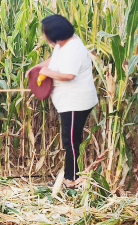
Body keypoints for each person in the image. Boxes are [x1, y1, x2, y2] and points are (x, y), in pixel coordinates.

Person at [36, 14, 98, 187]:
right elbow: (55, 59)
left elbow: (69, 75)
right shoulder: (64, 43)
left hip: (75, 102)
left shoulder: (73, 48)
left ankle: (71, 179)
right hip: (68, 101)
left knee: (71, 140)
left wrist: (46, 73)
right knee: (70, 139)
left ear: (55, 34)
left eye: (45, 33)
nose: (44, 36)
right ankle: (71, 176)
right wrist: (39, 67)